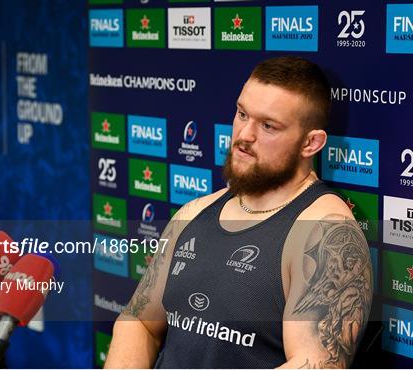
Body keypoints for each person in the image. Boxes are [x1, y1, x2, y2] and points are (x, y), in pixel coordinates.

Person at [104, 56, 372, 369]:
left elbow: (318, 361)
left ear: (310, 143)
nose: (244, 135)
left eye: (268, 126)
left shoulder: (323, 230)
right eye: (242, 114)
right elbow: (140, 321)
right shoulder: (195, 212)